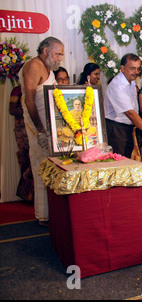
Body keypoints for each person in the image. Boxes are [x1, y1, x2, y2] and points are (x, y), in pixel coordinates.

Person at [19, 36, 64, 226]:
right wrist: (40, 130)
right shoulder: (33, 66)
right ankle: (44, 215)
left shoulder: (48, 68)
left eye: (61, 55)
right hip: (38, 126)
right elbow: (29, 100)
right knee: (41, 166)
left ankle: (54, 211)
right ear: (45, 50)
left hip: (51, 127)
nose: (60, 58)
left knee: (53, 166)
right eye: (57, 54)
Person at [104, 53, 142, 158]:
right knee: (119, 164)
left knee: (125, 161)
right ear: (122, 68)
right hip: (116, 130)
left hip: (127, 128)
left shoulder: (130, 82)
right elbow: (130, 113)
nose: (136, 72)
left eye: (138, 69)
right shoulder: (118, 85)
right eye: (132, 68)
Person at [9, 83, 34, 202]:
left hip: (32, 129)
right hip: (21, 129)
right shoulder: (17, 90)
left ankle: (31, 195)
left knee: (32, 161)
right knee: (25, 159)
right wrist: (27, 110)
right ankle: (26, 194)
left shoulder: (33, 89)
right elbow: (12, 110)